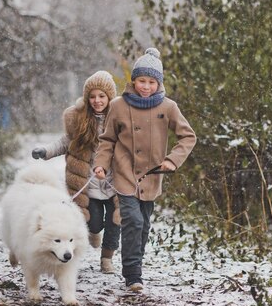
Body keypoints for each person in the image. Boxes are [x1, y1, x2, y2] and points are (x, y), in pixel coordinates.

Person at [93, 48, 196, 292]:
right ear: (133, 81)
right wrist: (101, 163)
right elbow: (107, 140)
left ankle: (134, 264)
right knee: (133, 221)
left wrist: (172, 160)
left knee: (144, 226)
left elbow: (188, 137)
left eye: (151, 82)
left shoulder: (168, 107)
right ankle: (132, 275)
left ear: (159, 83)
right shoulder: (118, 105)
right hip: (125, 172)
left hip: (152, 177)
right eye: (142, 81)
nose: (146, 87)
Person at [32, 70, 121, 274]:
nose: (97, 101)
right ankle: (94, 232)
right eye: (92, 96)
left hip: (115, 182)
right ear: (87, 98)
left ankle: (107, 259)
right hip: (88, 183)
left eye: (102, 96)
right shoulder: (78, 119)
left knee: (115, 222)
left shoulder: (119, 118)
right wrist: (45, 151)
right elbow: (65, 142)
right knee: (94, 222)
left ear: (109, 97)